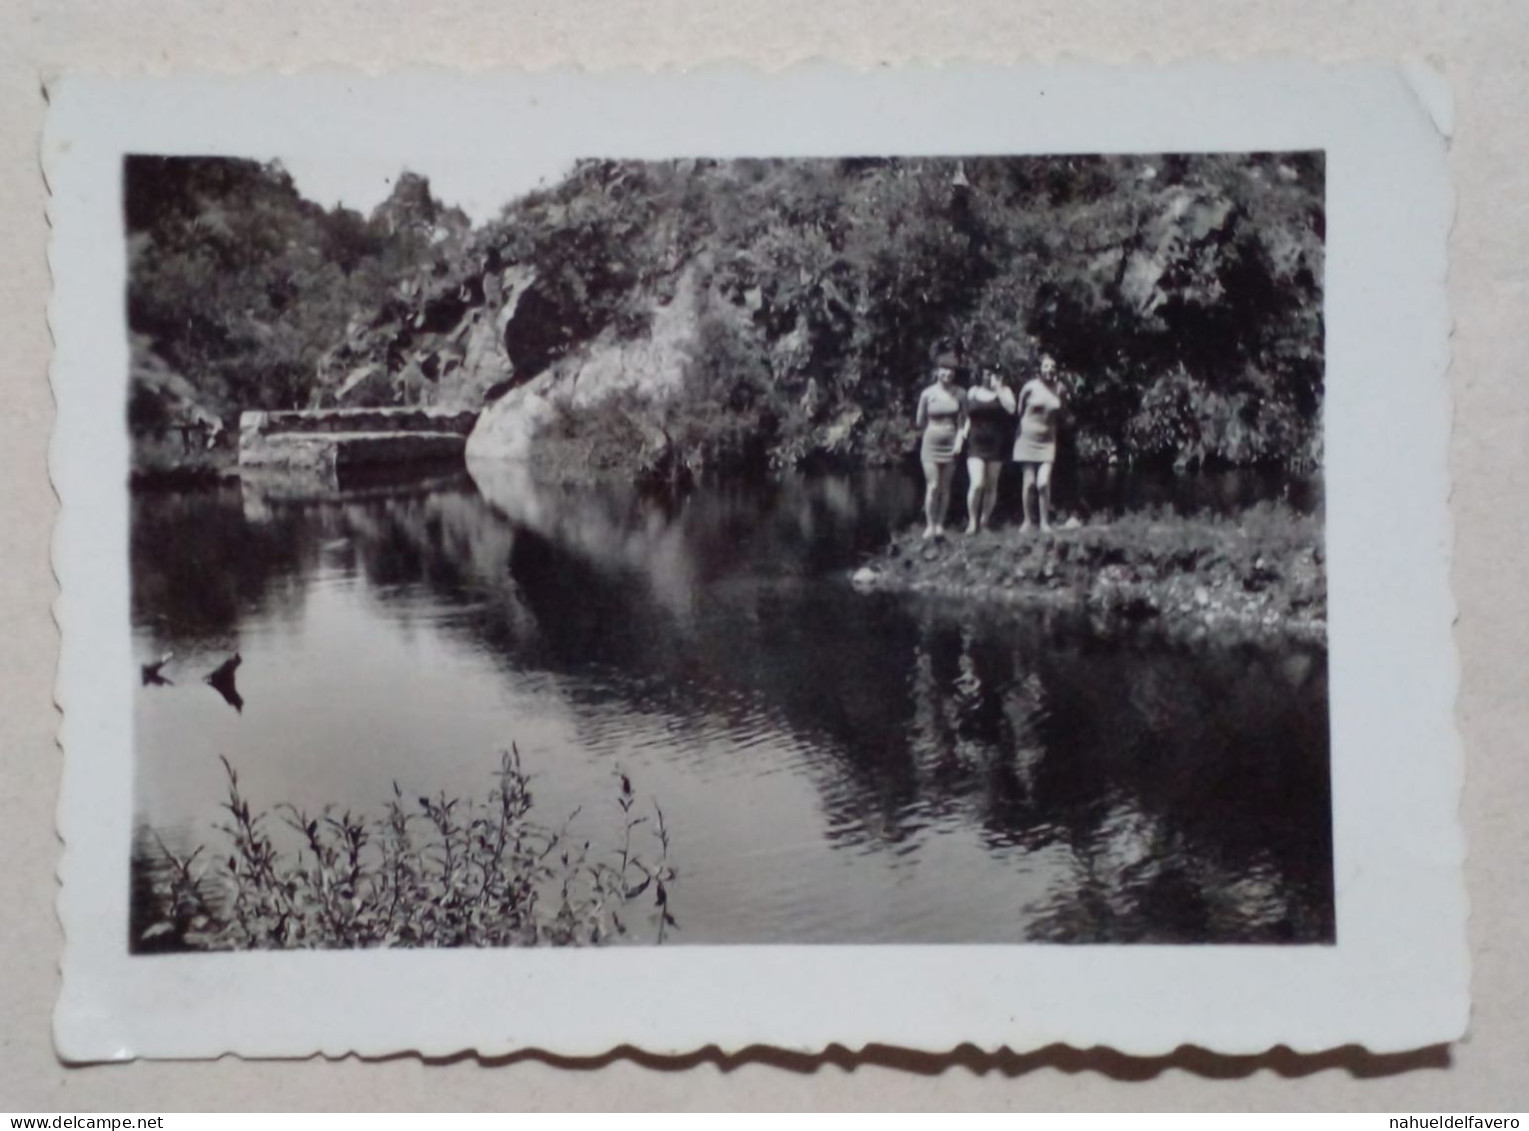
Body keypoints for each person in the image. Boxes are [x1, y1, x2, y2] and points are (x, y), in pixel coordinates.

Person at [914, 352, 967, 540]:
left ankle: (939, 525)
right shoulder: (927, 394)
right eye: (944, 370)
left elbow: (964, 421)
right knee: (933, 485)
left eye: (951, 371)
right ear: (937, 372)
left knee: (945, 486)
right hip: (931, 443)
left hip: (952, 443)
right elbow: (919, 422)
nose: (948, 374)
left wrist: (960, 438)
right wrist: (931, 430)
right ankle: (929, 525)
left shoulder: (960, 393)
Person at [1013, 354, 1065, 533]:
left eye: (1052, 367)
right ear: (1039, 369)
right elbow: (1019, 411)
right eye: (1046, 367)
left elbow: (1063, 410)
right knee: (1029, 483)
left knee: (1043, 483)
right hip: (1026, 440)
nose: (1049, 370)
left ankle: (1044, 522)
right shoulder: (1029, 388)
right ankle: (1027, 521)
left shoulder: (1059, 388)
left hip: (1048, 441)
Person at [962, 368, 1017, 533]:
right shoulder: (973, 391)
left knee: (991, 484)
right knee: (977, 483)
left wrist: (998, 389)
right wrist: (962, 433)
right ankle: (972, 522)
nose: (990, 377)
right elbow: (965, 415)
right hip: (975, 442)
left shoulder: (1005, 392)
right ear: (981, 375)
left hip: (996, 443)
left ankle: (985, 521)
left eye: (993, 374)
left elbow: (1012, 409)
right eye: (987, 373)